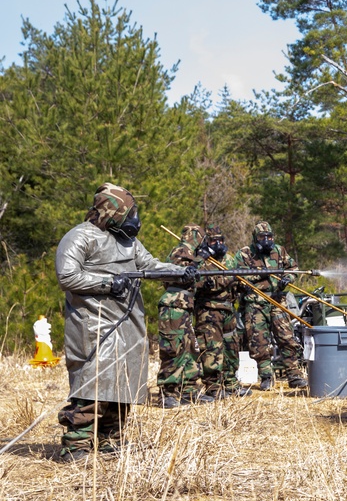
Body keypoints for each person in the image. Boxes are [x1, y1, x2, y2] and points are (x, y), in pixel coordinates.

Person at [55, 182, 192, 462]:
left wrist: (182, 272)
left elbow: (150, 266)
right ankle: (77, 446)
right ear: (112, 212)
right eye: (129, 213)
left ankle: (110, 441)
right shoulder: (80, 237)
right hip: (93, 326)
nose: (134, 220)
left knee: (122, 385)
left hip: (128, 325)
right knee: (92, 385)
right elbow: (67, 276)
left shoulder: (127, 241)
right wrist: (108, 283)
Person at [233, 221, 307, 391]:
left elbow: (293, 268)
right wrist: (256, 278)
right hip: (255, 303)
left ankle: (294, 375)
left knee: (286, 337)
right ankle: (266, 375)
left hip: (277, 300)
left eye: (269, 237)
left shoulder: (279, 251)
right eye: (262, 237)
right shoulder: (244, 254)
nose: (266, 240)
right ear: (255, 238)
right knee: (259, 342)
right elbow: (236, 277)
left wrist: (288, 278)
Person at [157, 224, 214, 408]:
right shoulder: (180, 251)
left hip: (185, 305)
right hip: (173, 305)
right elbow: (180, 275)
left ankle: (188, 390)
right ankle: (167, 392)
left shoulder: (191, 254)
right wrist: (198, 260)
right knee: (173, 349)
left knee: (190, 349)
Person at [195, 224, 249, 398]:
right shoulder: (201, 260)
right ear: (206, 241)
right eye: (213, 240)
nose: (217, 244)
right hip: (209, 310)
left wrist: (242, 283)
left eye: (220, 240)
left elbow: (238, 279)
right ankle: (213, 387)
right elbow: (195, 281)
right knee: (212, 349)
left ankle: (231, 384)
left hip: (228, 310)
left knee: (231, 348)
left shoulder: (230, 259)